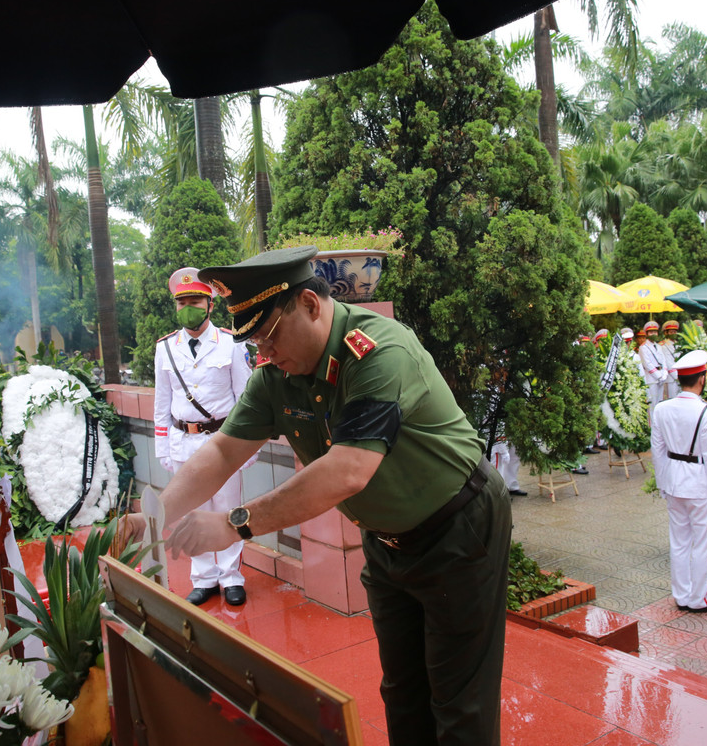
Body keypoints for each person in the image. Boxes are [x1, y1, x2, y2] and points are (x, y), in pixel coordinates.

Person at [127, 246, 512, 745]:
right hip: (387, 542)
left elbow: (348, 470)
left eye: (270, 335)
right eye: (254, 342)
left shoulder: (378, 352)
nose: (264, 353)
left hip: (458, 528)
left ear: (310, 304)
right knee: (403, 694)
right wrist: (154, 517)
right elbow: (221, 450)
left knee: (460, 706)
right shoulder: (277, 374)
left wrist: (232, 524)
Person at [153, 267, 254, 606]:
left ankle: (231, 577)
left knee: (227, 509)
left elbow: (245, 398)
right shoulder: (165, 348)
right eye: (182, 303)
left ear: (210, 305)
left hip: (222, 442)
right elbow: (161, 404)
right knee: (190, 511)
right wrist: (162, 447)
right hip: (183, 442)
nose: (188, 309)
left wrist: (248, 448)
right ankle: (204, 578)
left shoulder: (230, 343)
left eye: (195, 302)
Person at [650, 350, 707, 613]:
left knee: (679, 542)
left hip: (674, 482)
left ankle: (682, 595)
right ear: (702, 379)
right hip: (699, 485)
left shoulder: (662, 409)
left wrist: (662, 483)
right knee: (703, 544)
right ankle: (699, 599)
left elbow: (658, 452)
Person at [637, 321, 668, 414]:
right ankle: (652, 423)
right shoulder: (643, 347)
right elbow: (647, 364)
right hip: (651, 379)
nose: (653, 334)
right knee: (652, 404)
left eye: (655, 332)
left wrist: (664, 374)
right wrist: (659, 376)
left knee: (660, 403)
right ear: (646, 334)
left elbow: (663, 361)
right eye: (651, 332)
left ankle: (658, 422)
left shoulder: (658, 346)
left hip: (661, 376)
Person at [659, 321, 681, 399]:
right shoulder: (663, 346)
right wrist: (677, 377)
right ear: (666, 333)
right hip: (671, 378)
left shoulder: (679, 344)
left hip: (681, 376)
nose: (673, 334)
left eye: (675, 332)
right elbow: (668, 363)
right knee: (672, 398)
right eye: (671, 332)